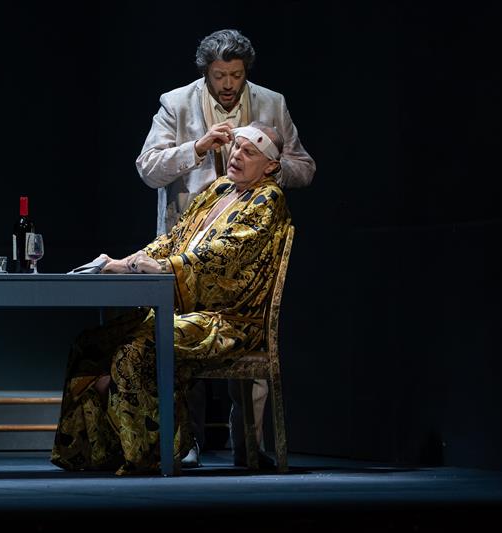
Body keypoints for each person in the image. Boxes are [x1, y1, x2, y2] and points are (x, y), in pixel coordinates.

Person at [52, 122, 291, 475]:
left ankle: (158, 453)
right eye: (237, 147)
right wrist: (125, 262)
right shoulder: (219, 189)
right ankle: (100, 453)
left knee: (136, 349)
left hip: (227, 321)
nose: (237, 156)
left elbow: (223, 255)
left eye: (249, 152)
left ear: (270, 165)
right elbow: (174, 239)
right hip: (184, 313)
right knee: (90, 345)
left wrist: (162, 267)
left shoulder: (268, 199)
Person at [135, 29, 315, 468]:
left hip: (244, 250)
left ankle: (248, 447)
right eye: (220, 76)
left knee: (244, 334)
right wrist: (196, 148)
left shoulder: (271, 103)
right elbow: (148, 168)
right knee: (177, 339)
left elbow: (304, 167)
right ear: (206, 73)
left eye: (236, 75)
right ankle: (186, 442)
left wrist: (264, 165)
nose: (229, 84)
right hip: (189, 246)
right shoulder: (176, 103)